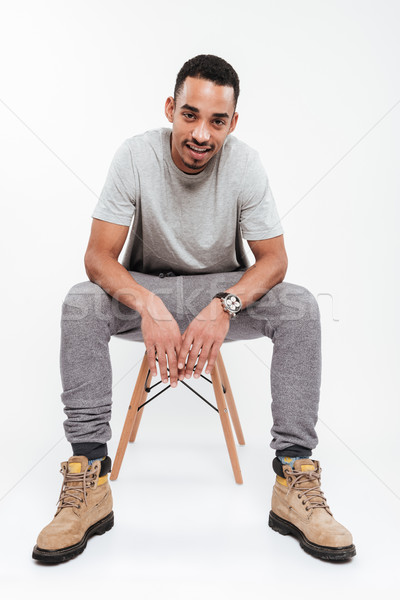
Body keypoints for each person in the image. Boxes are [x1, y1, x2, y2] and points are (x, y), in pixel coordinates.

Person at [32, 54, 355, 564]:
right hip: (146, 289)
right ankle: (88, 479)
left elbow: (275, 261)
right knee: (80, 303)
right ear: (171, 108)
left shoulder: (245, 163)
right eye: (190, 115)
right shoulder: (135, 156)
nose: (202, 133)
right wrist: (148, 303)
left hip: (222, 290)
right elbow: (97, 257)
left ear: (232, 123)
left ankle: (295, 477)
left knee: (300, 307)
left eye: (217, 121)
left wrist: (224, 304)